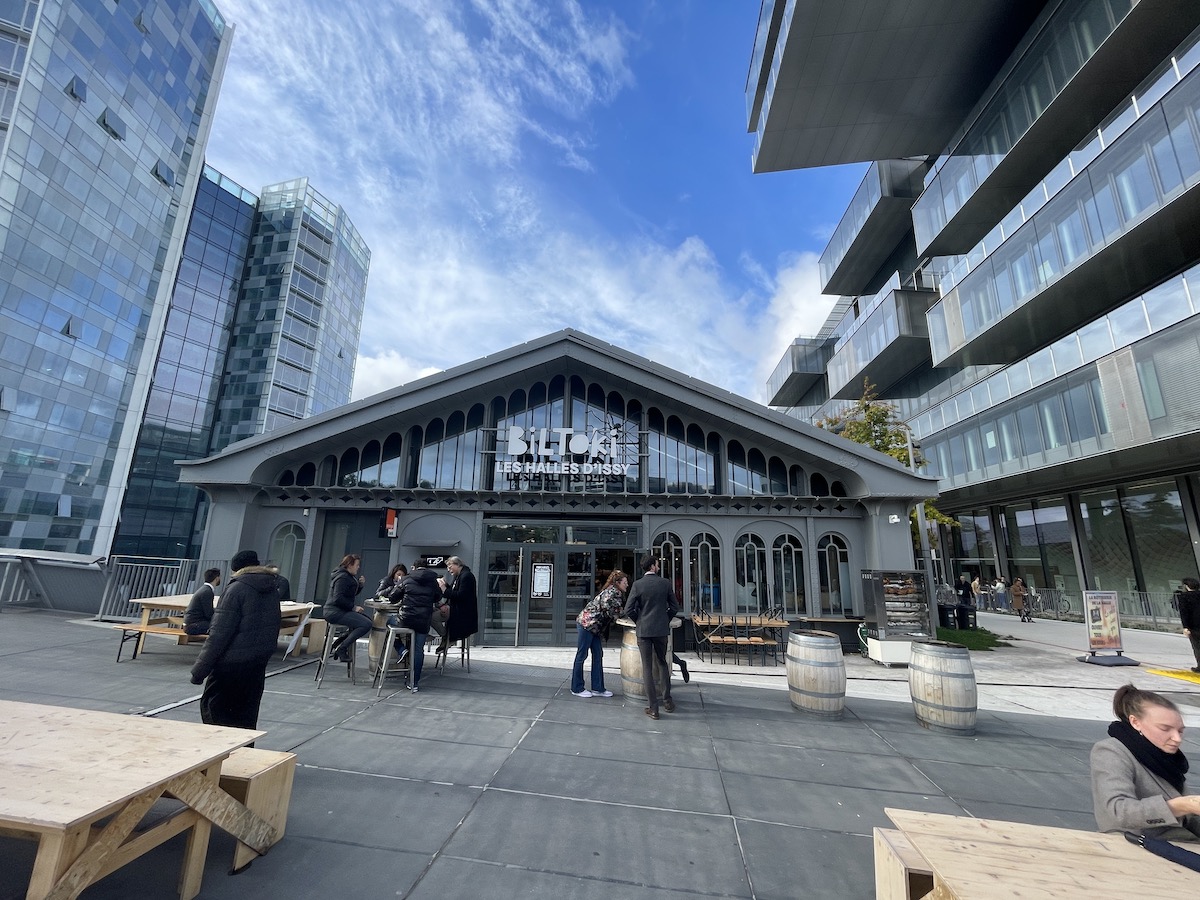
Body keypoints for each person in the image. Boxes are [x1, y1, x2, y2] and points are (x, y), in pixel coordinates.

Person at [1091, 684, 1200, 842]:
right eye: (1165, 729)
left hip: (1177, 841)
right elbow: (1117, 812)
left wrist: (1189, 806)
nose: (1177, 738)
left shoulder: (1164, 756)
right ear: (1135, 722)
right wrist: (1181, 805)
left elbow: (1189, 818)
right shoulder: (1111, 751)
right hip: (1134, 842)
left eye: (1180, 731)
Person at [189, 549, 284, 729]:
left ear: (236, 569)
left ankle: (222, 756)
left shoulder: (236, 589)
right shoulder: (271, 589)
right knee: (246, 718)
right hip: (256, 664)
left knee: (215, 715)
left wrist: (198, 672)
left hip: (230, 666)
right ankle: (245, 754)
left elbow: (219, 634)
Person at [623, 554, 679, 720]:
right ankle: (667, 700)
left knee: (647, 667)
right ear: (653, 566)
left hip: (644, 631)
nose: (659, 567)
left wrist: (639, 621)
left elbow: (628, 609)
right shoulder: (665, 583)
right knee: (662, 662)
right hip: (661, 630)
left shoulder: (638, 585)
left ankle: (654, 708)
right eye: (657, 564)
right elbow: (675, 607)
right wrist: (664, 619)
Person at [387, 558, 441, 692]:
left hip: (405, 619)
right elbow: (438, 597)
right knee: (418, 650)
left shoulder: (405, 579)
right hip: (423, 621)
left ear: (414, 567)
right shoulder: (433, 581)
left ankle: (401, 649)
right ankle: (414, 683)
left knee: (389, 622)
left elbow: (392, 597)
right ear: (427, 568)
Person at [571, 570, 628, 698]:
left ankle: (598, 688)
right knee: (582, 655)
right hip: (587, 625)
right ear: (618, 583)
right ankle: (576, 687)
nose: (627, 585)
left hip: (594, 627)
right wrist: (622, 614)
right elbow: (611, 610)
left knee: (598, 654)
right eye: (625, 582)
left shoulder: (614, 592)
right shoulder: (611, 593)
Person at [325, 554, 370, 663]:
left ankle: (339, 642)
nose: (358, 567)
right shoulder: (343, 577)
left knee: (367, 620)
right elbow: (338, 598)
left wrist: (360, 585)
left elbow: (349, 594)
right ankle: (342, 649)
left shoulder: (347, 576)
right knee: (366, 624)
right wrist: (353, 608)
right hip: (335, 612)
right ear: (350, 565)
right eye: (357, 565)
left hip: (340, 610)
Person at [436, 556, 480, 657]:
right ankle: (446, 638)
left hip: (462, 613)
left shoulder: (466, 576)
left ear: (457, 564)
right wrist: (446, 586)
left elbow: (460, 595)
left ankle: (447, 638)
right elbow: (454, 591)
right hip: (458, 610)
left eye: (450, 566)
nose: (448, 569)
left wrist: (444, 589)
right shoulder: (460, 576)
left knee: (433, 617)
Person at [184, 568, 221, 636]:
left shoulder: (204, 589)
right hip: (193, 626)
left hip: (191, 624)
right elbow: (209, 614)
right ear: (217, 578)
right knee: (222, 626)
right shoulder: (207, 592)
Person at [1178, 577, 1200, 674]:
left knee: (1197, 647)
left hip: (1194, 626)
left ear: (1186, 586)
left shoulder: (1184, 597)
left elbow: (1184, 613)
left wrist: (1185, 627)